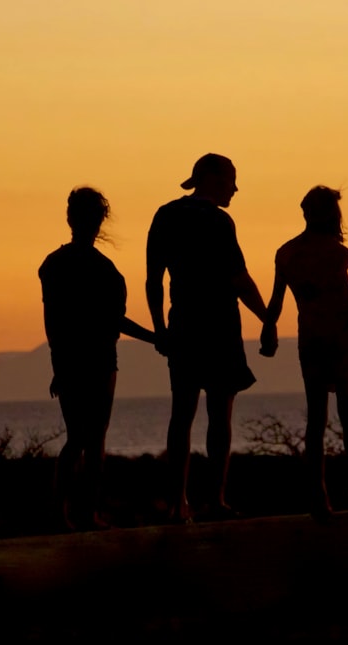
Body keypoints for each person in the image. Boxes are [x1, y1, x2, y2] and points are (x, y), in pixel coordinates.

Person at [146, 153, 267, 523]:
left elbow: (154, 280)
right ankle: (215, 499)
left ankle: (178, 502)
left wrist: (159, 329)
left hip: (182, 325)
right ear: (213, 179)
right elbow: (239, 279)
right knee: (219, 415)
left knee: (181, 414)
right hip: (219, 328)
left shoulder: (165, 215)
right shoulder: (218, 221)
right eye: (232, 179)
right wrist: (268, 318)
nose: (235, 187)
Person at [39, 187, 155, 531]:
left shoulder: (57, 264)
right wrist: (155, 338)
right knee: (91, 438)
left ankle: (70, 513)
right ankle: (82, 513)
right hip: (97, 360)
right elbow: (112, 320)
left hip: (78, 359)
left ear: (70, 218)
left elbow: (53, 322)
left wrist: (58, 365)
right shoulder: (100, 269)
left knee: (81, 438)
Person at [260, 186, 348, 518]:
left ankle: (321, 496)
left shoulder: (287, 253)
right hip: (338, 339)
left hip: (311, 339)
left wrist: (269, 330)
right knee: (347, 417)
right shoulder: (333, 253)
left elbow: (277, 300)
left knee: (318, 418)